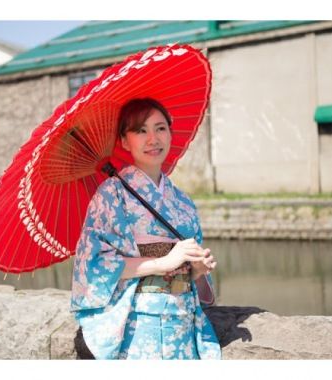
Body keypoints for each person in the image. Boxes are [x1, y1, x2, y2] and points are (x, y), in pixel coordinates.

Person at [70, 98, 221, 360]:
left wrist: (197, 269)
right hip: (139, 323)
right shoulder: (111, 195)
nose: (153, 138)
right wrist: (162, 263)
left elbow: (191, 275)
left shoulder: (183, 202)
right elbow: (94, 265)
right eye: (141, 130)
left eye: (160, 128)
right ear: (125, 141)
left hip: (182, 321)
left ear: (171, 134)